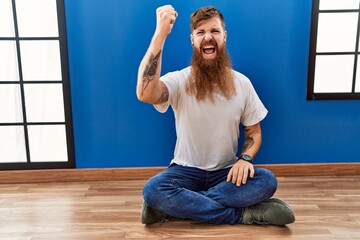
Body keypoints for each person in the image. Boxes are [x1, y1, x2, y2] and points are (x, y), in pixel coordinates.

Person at [136, 5, 295, 225]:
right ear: (192, 40)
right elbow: (144, 93)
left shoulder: (242, 83)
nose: (208, 37)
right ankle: (243, 215)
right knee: (153, 189)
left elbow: (253, 131)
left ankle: (174, 209)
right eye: (200, 33)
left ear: (224, 37)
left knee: (267, 180)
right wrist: (160, 35)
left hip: (227, 174)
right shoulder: (179, 80)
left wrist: (245, 159)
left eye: (215, 31)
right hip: (184, 173)